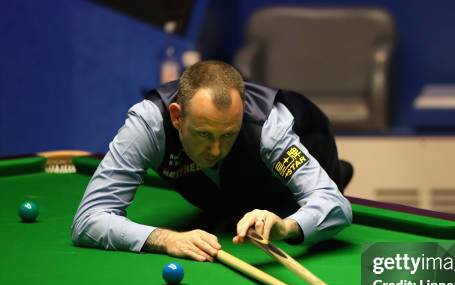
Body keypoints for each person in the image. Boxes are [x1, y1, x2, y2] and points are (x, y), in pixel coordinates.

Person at [71, 60, 353, 262]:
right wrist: (166, 238)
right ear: (177, 116)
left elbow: (334, 204)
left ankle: (339, 171)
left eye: (228, 134)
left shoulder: (268, 127)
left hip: (309, 145)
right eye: (204, 134)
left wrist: (285, 227)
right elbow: (89, 219)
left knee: (293, 202)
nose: (216, 149)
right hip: (226, 187)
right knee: (228, 212)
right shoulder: (148, 123)